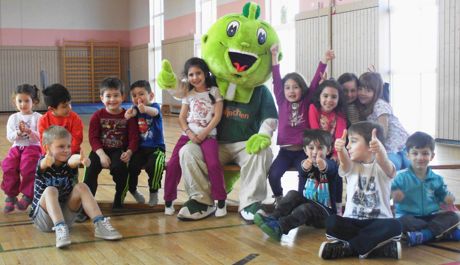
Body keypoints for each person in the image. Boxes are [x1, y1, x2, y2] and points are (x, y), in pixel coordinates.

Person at [319, 121, 402, 260]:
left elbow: (384, 162)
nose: (348, 145)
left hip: (379, 222)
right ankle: (373, 248)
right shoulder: (351, 166)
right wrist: (341, 151)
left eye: (354, 141)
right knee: (331, 222)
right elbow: (345, 161)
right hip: (353, 222)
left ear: (371, 146)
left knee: (395, 225)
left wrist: (380, 150)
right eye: (348, 142)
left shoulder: (383, 167)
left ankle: (349, 248)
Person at [30, 126, 122, 248]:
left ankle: (100, 223)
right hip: (44, 219)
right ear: (47, 147)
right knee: (50, 190)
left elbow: (72, 161)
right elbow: (43, 164)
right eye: (61, 146)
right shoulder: (42, 163)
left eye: (68, 146)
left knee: (82, 186)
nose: (66, 150)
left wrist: (81, 159)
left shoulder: (69, 161)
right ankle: (59, 227)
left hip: (66, 217)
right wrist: (47, 161)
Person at [268, 44, 334, 204]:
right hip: (284, 152)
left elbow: (315, 81)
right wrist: (274, 57)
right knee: (273, 174)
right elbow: (276, 79)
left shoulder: (307, 101)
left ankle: (300, 200)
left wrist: (324, 60)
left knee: (304, 173)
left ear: (302, 89)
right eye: (288, 88)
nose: (291, 91)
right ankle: (278, 197)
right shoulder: (281, 100)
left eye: (295, 87)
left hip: (302, 152)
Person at [164, 57, 227, 217]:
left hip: (208, 135)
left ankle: (220, 202)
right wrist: (190, 133)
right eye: (191, 75)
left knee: (213, 165)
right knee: (172, 164)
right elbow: (181, 117)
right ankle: (168, 201)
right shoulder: (188, 94)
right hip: (189, 135)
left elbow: (217, 116)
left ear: (205, 73)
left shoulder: (214, 91)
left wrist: (204, 133)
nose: (195, 78)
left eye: (198, 73)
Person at [254, 129, 339, 241]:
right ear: (305, 150)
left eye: (320, 148)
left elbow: (329, 168)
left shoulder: (331, 164)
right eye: (311, 148)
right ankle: (273, 218)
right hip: (308, 207)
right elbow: (303, 170)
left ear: (328, 150)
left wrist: (321, 163)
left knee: (305, 208)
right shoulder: (306, 163)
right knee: (292, 194)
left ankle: (280, 227)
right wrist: (305, 165)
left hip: (324, 214)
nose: (315, 152)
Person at [392, 131, 460, 246]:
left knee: (454, 216)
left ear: (432, 156)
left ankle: (424, 235)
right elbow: (390, 193)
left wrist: (447, 198)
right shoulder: (401, 177)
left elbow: (442, 195)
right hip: (409, 217)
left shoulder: (437, 179)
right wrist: (394, 195)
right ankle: (444, 233)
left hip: (431, 216)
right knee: (400, 223)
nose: (420, 157)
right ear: (407, 155)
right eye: (415, 153)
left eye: (425, 153)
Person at [83, 77, 139, 210]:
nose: (112, 99)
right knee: (90, 170)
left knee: (120, 169)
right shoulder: (97, 116)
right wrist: (101, 155)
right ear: (102, 98)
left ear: (123, 97)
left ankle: (119, 198)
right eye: (108, 96)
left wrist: (129, 152)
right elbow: (93, 138)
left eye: (116, 95)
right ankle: (87, 204)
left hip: (118, 150)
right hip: (99, 150)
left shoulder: (128, 116)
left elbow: (134, 138)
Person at [2, 84, 42, 213]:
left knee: (28, 167)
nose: (23, 104)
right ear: (15, 101)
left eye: (26, 101)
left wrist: (30, 132)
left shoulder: (38, 117)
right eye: (20, 101)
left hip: (32, 148)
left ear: (34, 102)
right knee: (9, 166)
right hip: (17, 147)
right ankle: (11, 195)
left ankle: (28, 195)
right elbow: (10, 137)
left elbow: (40, 138)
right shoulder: (13, 118)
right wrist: (18, 133)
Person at [125, 80, 165, 207]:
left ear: (151, 96)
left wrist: (145, 109)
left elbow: (155, 113)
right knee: (132, 166)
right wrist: (129, 114)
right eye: (134, 95)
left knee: (155, 165)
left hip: (156, 148)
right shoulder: (136, 109)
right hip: (140, 149)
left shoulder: (155, 107)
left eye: (141, 94)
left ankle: (153, 192)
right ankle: (132, 189)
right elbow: (134, 112)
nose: (138, 98)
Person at [357, 72, 409, 170]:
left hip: (402, 145)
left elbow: (383, 130)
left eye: (368, 90)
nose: (363, 93)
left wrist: (376, 148)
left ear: (376, 92)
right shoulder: (366, 107)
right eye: (360, 89)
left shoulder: (379, 104)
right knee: (391, 166)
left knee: (413, 168)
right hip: (389, 148)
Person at [38, 83, 84, 155]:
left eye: (70, 103)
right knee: (42, 164)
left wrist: (66, 153)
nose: (69, 108)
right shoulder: (43, 120)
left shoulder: (75, 118)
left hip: (71, 153)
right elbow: (43, 142)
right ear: (51, 109)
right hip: (52, 154)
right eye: (64, 106)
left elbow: (77, 140)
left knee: (81, 163)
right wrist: (51, 154)